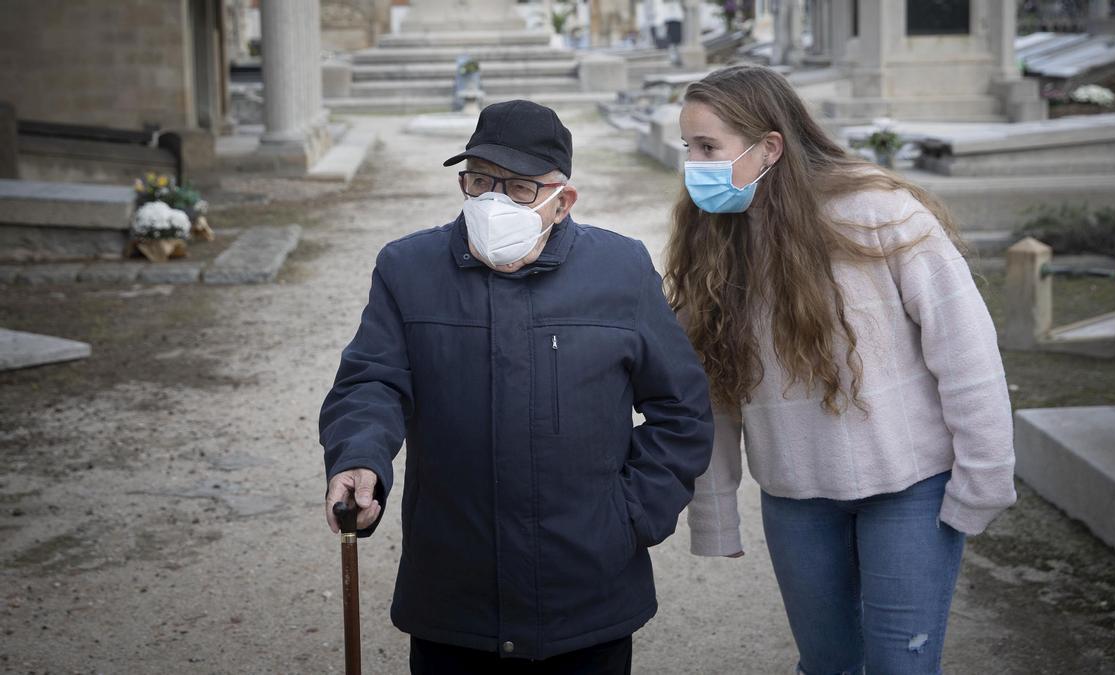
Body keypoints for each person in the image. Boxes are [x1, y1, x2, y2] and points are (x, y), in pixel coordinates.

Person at [319, 99, 714, 674]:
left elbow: (681, 409)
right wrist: (359, 456)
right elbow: (370, 382)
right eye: (480, 181)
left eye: (520, 188)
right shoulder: (408, 268)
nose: (493, 201)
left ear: (562, 201)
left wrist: (629, 518)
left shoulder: (621, 270)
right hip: (454, 591)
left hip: (586, 596)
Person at [671, 65, 1016, 674]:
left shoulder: (878, 213)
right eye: (688, 148)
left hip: (909, 489)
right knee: (826, 664)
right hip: (797, 496)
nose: (694, 166)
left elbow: (966, 351)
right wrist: (716, 511)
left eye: (708, 148)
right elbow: (712, 390)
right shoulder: (714, 241)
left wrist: (983, 478)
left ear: (769, 147)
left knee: (900, 666)